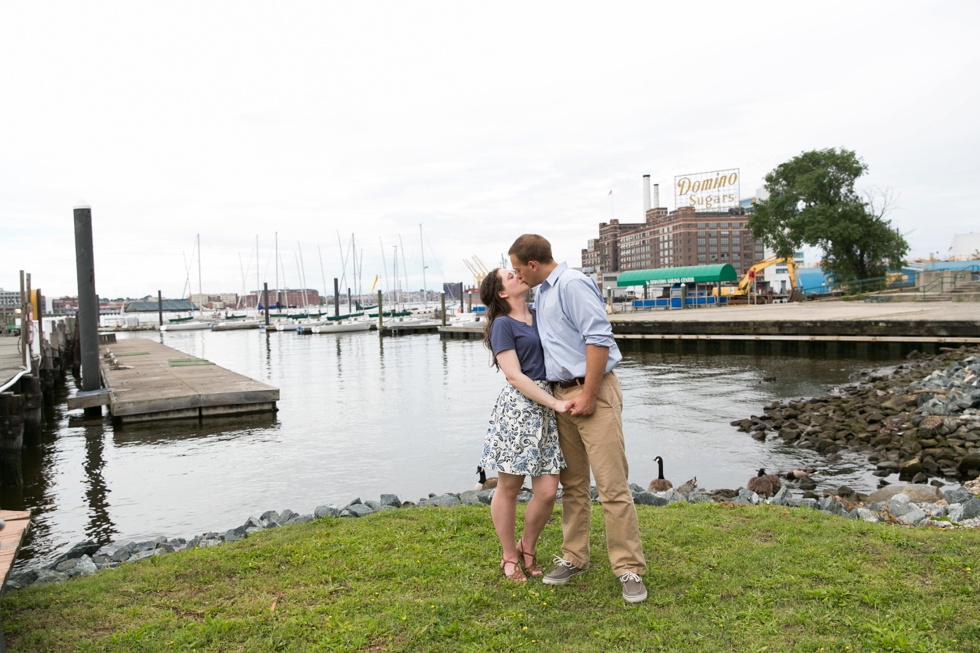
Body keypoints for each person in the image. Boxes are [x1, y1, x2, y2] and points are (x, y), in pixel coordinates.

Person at [509, 234, 647, 603]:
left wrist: (588, 395)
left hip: (591, 391)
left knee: (612, 487)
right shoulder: (544, 293)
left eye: (518, 269)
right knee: (573, 485)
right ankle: (575, 557)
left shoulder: (572, 284)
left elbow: (599, 338)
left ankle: (628, 568)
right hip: (561, 396)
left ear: (533, 265)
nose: (517, 276)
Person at [479, 267, 569, 582]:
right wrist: (556, 403)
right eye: (510, 275)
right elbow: (514, 376)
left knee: (546, 491)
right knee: (510, 487)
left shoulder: (538, 313)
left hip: (546, 406)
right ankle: (508, 555)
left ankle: (526, 548)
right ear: (502, 293)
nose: (518, 274)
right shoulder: (502, 325)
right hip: (519, 410)